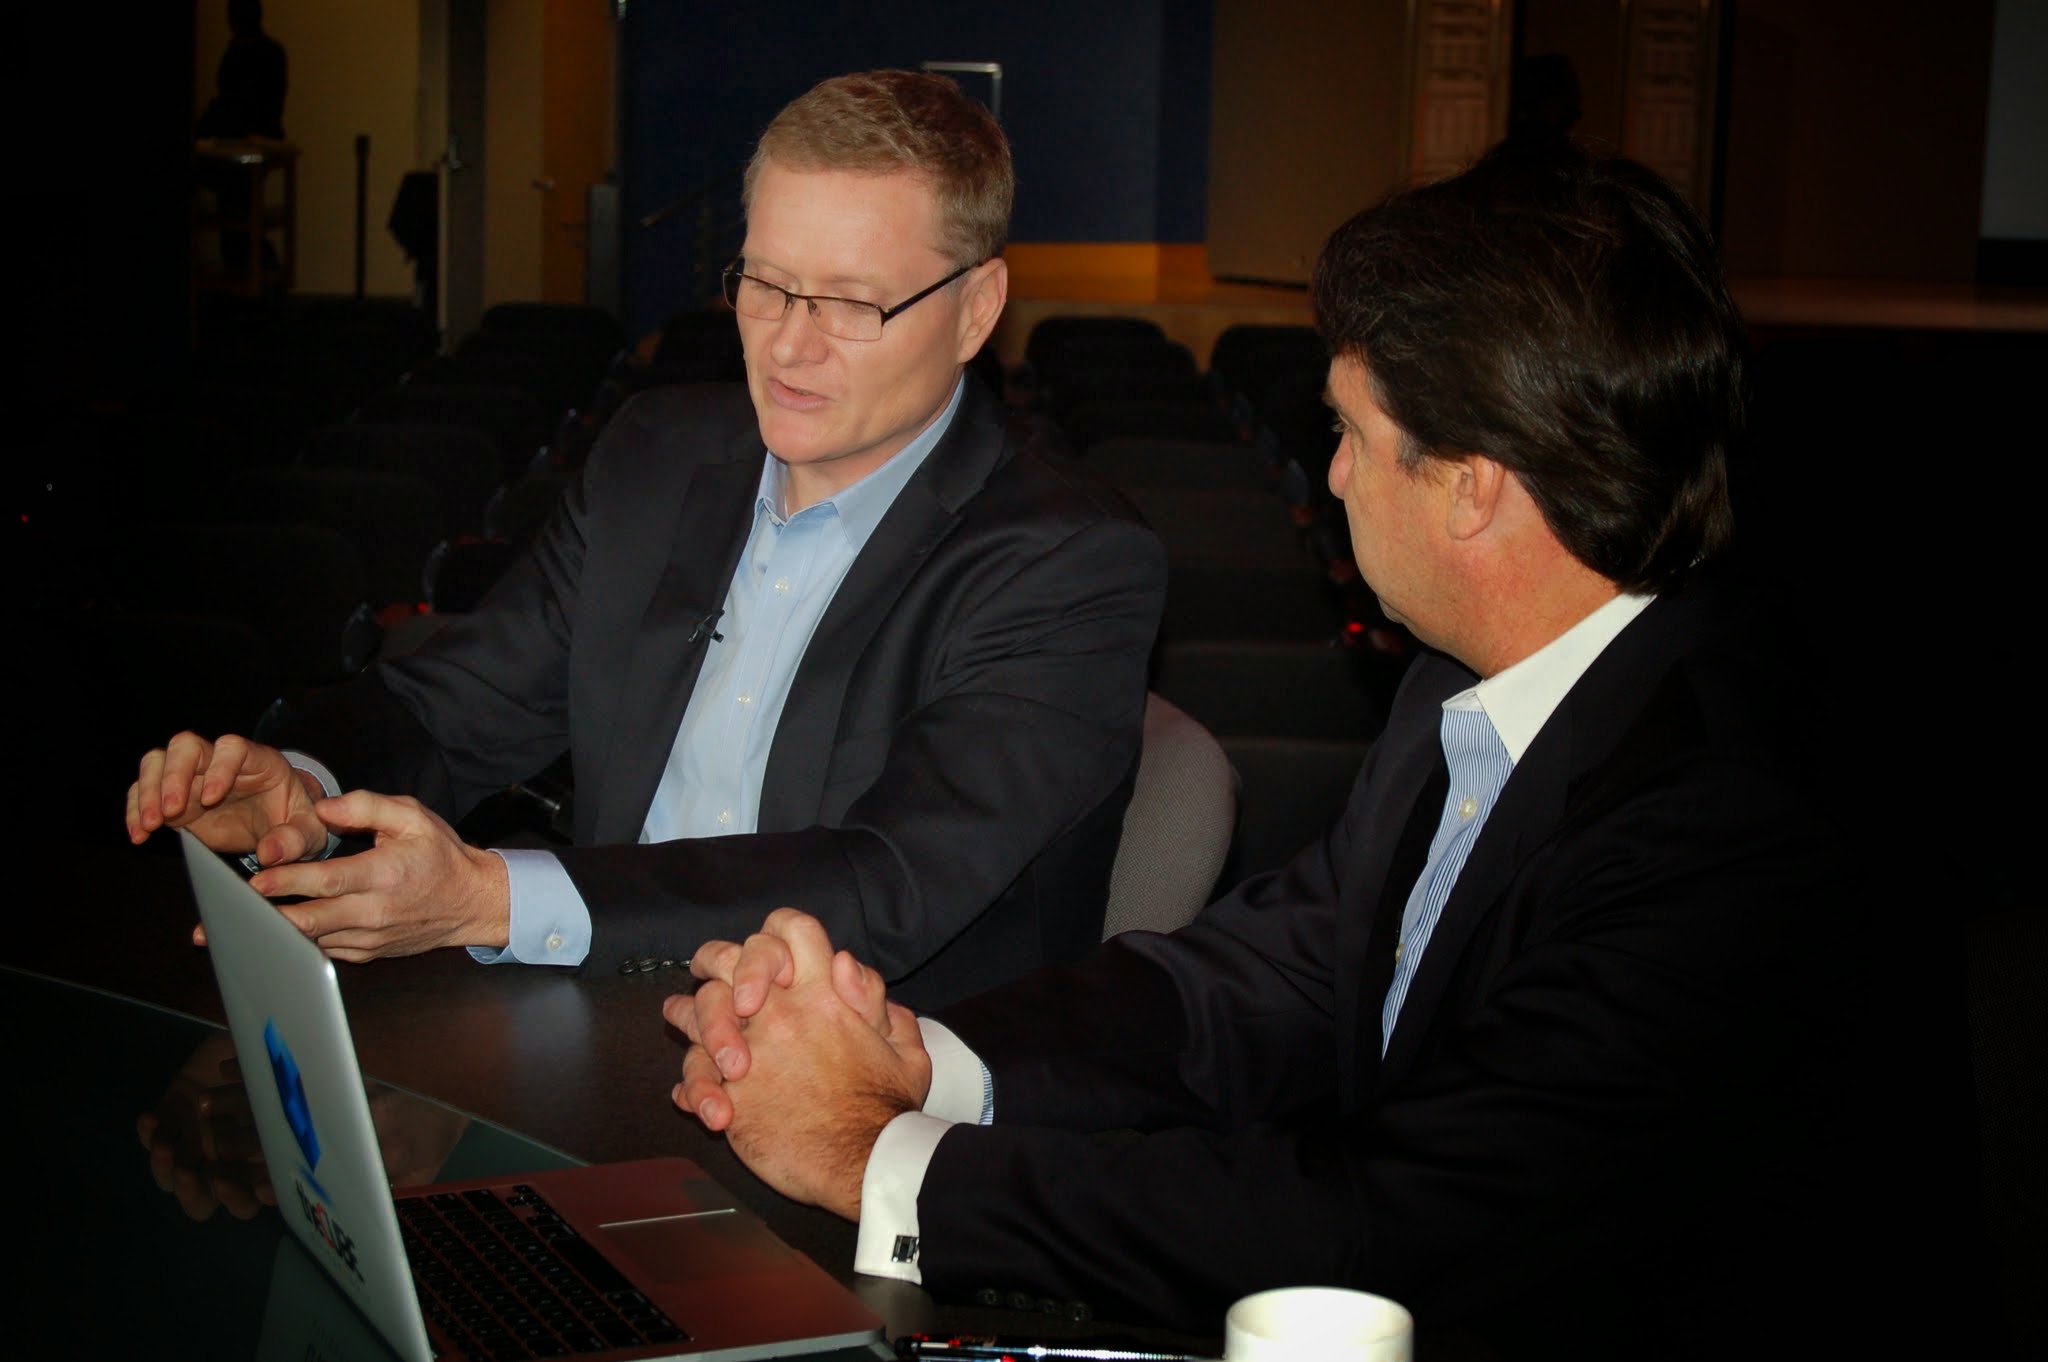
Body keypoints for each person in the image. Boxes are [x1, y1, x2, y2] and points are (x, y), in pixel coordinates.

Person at [666, 142, 1876, 1357]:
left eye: (1347, 430)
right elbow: (1263, 978)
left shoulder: (1721, 821)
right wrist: (921, 1059)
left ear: (1471, 488)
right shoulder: (1473, 689)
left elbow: (1380, 1231)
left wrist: (882, 1163)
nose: (1333, 474)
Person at [128, 71, 1166, 1010]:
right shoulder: (656, 457)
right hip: (598, 1004)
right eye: (764, 283)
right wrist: (305, 790)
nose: (789, 345)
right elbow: (456, 706)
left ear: (975, 308)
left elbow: (883, 879)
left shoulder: (1069, 557)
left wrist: (491, 898)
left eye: (851, 302)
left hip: (867, 1091)